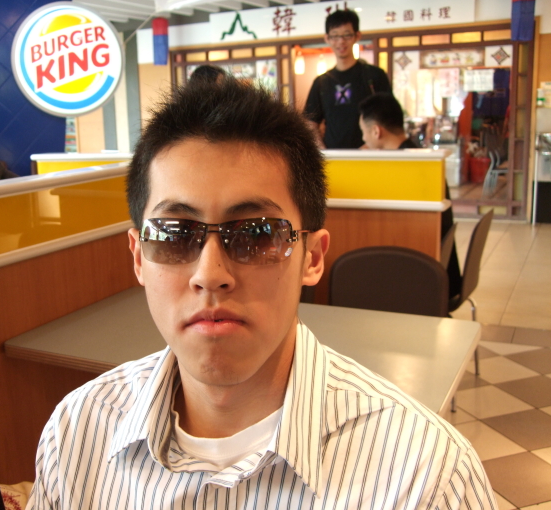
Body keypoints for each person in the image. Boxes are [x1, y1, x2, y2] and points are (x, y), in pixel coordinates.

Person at [27, 77, 495, 510]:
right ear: (138, 257)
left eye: (257, 234)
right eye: (174, 234)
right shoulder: (77, 434)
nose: (210, 274)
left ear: (312, 257)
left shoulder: (425, 478)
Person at [359, 92, 462, 299]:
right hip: (443, 271)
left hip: (426, 280)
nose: (363, 139)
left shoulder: (404, 167)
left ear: (376, 131)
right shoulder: (417, 158)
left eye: (363, 132)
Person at [303, 9, 391, 149]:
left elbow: (389, 118)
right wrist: (323, 152)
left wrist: (367, 149)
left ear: (357, 36)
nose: (341, 41)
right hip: (332, 159)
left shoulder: (375, 76)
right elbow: (310, 124)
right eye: (335, 36)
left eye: (347, 35)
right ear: (327, 38)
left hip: (369, 156)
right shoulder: (321, 82)